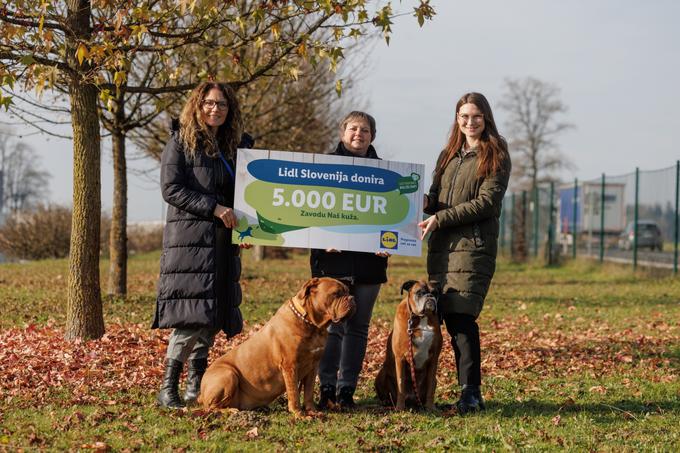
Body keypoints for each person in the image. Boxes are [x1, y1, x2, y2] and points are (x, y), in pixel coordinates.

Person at [152, 81, 252, 409]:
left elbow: (244, 195)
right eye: (209, 103)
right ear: (198, 104)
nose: (215, 109)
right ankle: (168, 387)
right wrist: (214, 208)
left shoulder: (231, 147)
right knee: (191, 316)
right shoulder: (180, 142)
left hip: (222, 242)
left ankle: (196, 383)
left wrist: (247, 230)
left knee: (212, 314)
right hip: (191, 243)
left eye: (222, 105)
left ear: (230, 110)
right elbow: (171, 189)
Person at [418, 93, 511, 414]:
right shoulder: (448, 155)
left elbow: (487, 203)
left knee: (462, 320)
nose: (470, 122)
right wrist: (418, 203)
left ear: (486, 119)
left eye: (476, 116)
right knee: (441, 320)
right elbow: (433, 196)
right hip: (441, 249)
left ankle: (471, 393)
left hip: (472, 248)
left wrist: (439, 217)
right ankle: (432, 392)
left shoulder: (495, 153)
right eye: (464, 116)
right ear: (457, 119)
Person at [310, 111, 390, 409]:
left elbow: (397, 221)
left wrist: (391, 243)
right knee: (333, 325)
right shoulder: (322, 168)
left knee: (358, 327)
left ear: (372, 136)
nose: (359, 134)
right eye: (354, 128)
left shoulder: (388, 173)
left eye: (365, 130)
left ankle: (347, 390)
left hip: (370, 265)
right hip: (332, 265)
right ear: (343, 131)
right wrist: (321, 238)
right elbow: (309, 212)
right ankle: (326, 387)